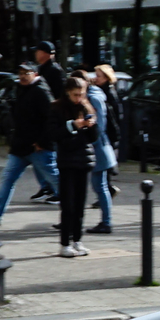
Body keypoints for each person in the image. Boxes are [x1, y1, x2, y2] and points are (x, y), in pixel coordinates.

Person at [0, 63, 58, 224]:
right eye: (20, 72)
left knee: (56, 180)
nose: (22, 76)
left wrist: (43, 142)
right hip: (20, 146)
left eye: (26, 72)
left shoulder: (41, 91)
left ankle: (73, 212)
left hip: (37, 148)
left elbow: (51, 119)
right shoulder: (20, 89)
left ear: (35, 74)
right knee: (7, 178)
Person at [51, 75, 100, 257]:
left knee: (80, 205)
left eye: (81, 94)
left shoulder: (86, 107)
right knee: (68, 205)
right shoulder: (56, 108)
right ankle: (65, 243)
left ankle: (77, 240)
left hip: (84, 161)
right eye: (75, 94)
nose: (78, 98)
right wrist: (73, 126)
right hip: (67, 161)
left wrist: (91, 125)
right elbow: (55, 134)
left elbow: (94, 137)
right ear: (67, 93)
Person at [83, 64, 120, 234]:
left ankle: (106, 222)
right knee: (100, 185)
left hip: (100, 146)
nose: (96, 78)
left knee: (100, 186)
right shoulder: (97, 94)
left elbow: (101, 124)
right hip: (102, 145)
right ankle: (106, 222)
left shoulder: (96, 96)